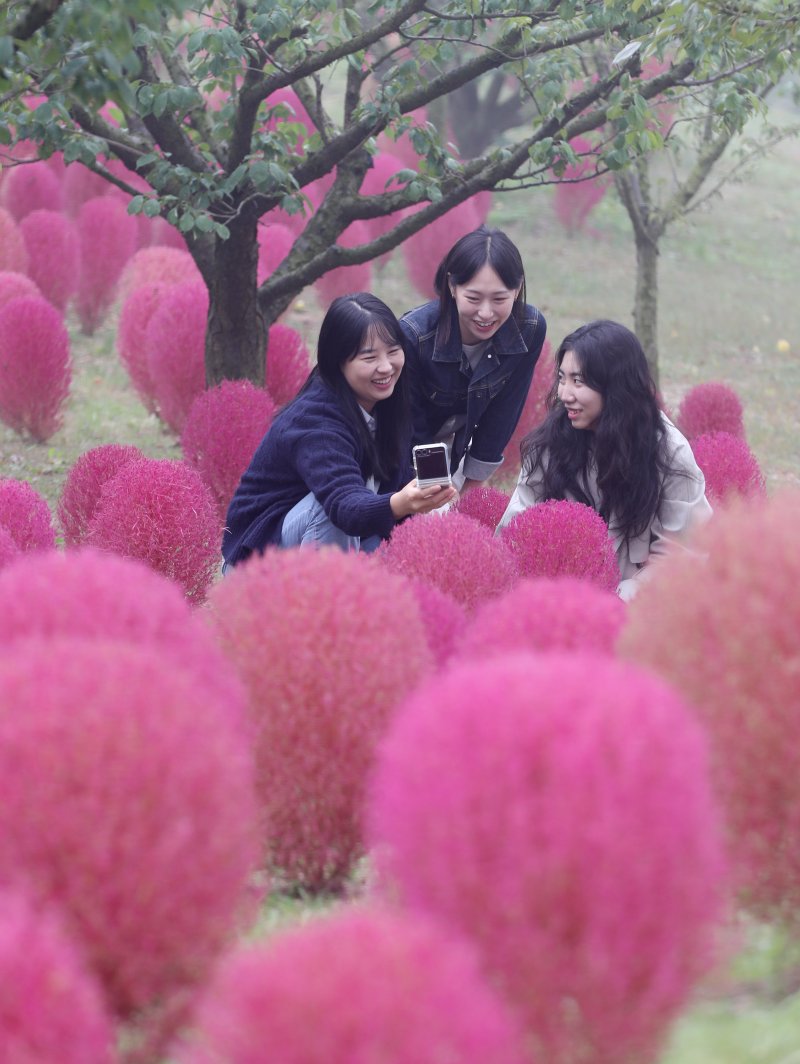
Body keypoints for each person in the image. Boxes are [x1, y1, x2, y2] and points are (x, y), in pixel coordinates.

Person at [222, 292, 457, 568]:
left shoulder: (389, 401)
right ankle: (328, 605)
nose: (386, 367)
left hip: (342, 539)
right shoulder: (315, 419)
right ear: (337, 363)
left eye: (393, 351)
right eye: (369, 358)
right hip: (260, 561)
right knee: (327, 510)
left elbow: (388, 493)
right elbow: (345, 508)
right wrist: (399, 504)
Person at [496, 319, 712, 601]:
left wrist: (618, 601)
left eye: (578, 381)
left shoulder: (668, 452)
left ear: (615, 387)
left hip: (633, 609)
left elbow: (682, 553)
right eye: (562, 378)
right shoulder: (551, 442)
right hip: (551, 598)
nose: (564, 394)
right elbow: (517, 526)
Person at [400, 225, 546, 493]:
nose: (486, 313)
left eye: (499, 298)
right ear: (452, 286)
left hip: (455, 445)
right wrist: (436, 491)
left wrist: (474, 483)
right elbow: (411, 423)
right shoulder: (415, 335)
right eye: (474, 298)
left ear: (518, 289)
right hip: (402, 450)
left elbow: (506, 407)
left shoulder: (530, 328)